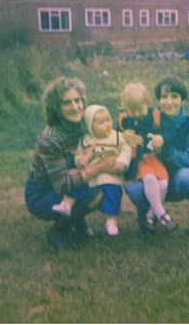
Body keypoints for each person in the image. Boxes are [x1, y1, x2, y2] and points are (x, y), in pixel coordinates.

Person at [124, 76, 189, 240]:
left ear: (182, 99)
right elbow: (128, 116)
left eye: (174, 96)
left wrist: (166, 151)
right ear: (158, 100)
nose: (169, 102)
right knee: (135, 189)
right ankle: (146, 224)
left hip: (175, 182)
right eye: (164, 97)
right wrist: (124, 135)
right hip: (151, 180)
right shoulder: (149, 118)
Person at [24, 77, 119, 251]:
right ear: (57, 108)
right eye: (67, 103)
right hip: (42, 192)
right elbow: (62, 185)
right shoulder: (51, 139)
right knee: (96, 194)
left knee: (107, 187)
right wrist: (99, 167)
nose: (75, 107)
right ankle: (58, 231)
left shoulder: (85, 125)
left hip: (69, 180)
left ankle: (77, 220)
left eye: (77, 100)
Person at [52, 104, 132, 236]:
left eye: (108, 120)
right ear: (90, 125)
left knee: (112, 191)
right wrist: (80, 160)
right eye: (101, 122)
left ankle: (111, 220)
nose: (106, 124)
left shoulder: (116, 136)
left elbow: (126, 149)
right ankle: (67, 204)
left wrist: (122, 162)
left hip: (109, 172)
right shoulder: (85, 140)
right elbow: (79, 154)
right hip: (91, 174)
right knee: (77, 182)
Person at [118, 81, 176, 231]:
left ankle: (150, 216)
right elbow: (114, 135)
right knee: (149, 177)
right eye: (132, 110)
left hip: (153, 158)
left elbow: (167, 133)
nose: (137, 115)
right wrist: (123, 135)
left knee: (163, 183)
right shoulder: (124, 120)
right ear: (126, 108)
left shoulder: (155, 116)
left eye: (140, 110)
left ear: (147, 103)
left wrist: (160, 138)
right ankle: (162, 214)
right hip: (138, 161)